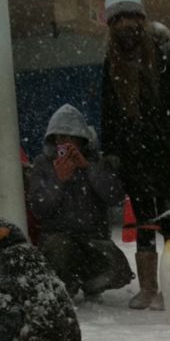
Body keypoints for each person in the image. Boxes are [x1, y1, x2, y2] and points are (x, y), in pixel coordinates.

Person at [101, 0, 170, 310]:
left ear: (140, 18)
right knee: (142, 220)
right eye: (118, 19)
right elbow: (109, 109)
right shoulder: (111, 61)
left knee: (168, 219)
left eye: (129, 17)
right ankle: (149, 287)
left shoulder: (165, 53)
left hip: (163, 150)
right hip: (132, 152)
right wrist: (111, 150)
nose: (125, 25)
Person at [28, 103, 132, 298]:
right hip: (57, 238)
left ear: (82, 140)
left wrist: (88, 168)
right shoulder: (42, 163)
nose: (64, 143)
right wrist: (58, 181)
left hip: (94, 237)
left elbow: (115, 196)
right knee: (60, 249)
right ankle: (65, 287)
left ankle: (91, 285)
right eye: (60, 137)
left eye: (70, 138)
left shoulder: (97, 162)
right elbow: (39, 207)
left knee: (119, 270)